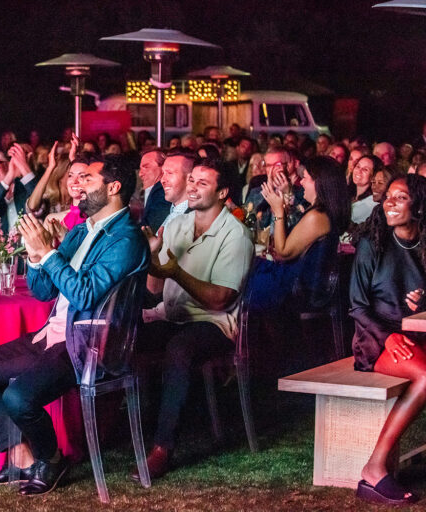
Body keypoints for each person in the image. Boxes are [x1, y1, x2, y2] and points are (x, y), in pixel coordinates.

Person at [0, 155, 149, 496]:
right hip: (53, 334)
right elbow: (43, 290)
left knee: (18, 397)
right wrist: (35, 256)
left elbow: (86, 296)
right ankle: (21, 455)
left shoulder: (126, 239)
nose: (76, 185)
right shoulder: (79, 231)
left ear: (113, 187)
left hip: (89, 344)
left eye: (87, 179)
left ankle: (52, 458)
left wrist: (49, 254)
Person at [137, 158, 254, 478]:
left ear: (222, 192)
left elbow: (221, 299)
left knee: (180, 348)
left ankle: (162, 447)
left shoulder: (236, 234)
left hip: (214, 323)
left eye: (203, 183)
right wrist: (152, 260)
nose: (192, 187)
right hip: (172, 316)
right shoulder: (175, 226)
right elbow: (154, 288)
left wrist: (177, 271)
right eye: (192, 181)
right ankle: (118, 431)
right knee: (123, 334)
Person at [350, 174, 426, 506]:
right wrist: (389, 336)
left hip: (414, 334)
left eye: (401, 197)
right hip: (376, 339)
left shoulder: (423, 244)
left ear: (419, 206)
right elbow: (356, 305)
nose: (390, 202)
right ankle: (374, 468)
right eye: (388, 197)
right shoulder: (372, 243)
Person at [247, 156, 350, 312]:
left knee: (243, 275)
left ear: (319, 184)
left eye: (305, 178)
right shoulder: (322, 213)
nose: (301, 183)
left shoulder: (317, 216)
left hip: (296, 287)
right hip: (297, 280)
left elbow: (283, 251)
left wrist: (278, 211)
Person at [0, 147, 38, 233]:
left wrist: (23, 166)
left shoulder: (23, 185)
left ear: (7, 164)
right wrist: (9, 177)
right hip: (2, 245)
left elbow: (38, 198)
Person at [138, 150, 172, 232]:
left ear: (163, 167)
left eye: (146, 167)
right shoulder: (153, 191)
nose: (140, 174)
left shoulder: (161, 192)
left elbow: (151, 228)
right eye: (140, 169)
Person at [350, 155, 383, 224]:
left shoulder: (371, 203)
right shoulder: (349, 194)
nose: (359, 171)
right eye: (358, 166)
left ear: (374, 176)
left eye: (365, 169)